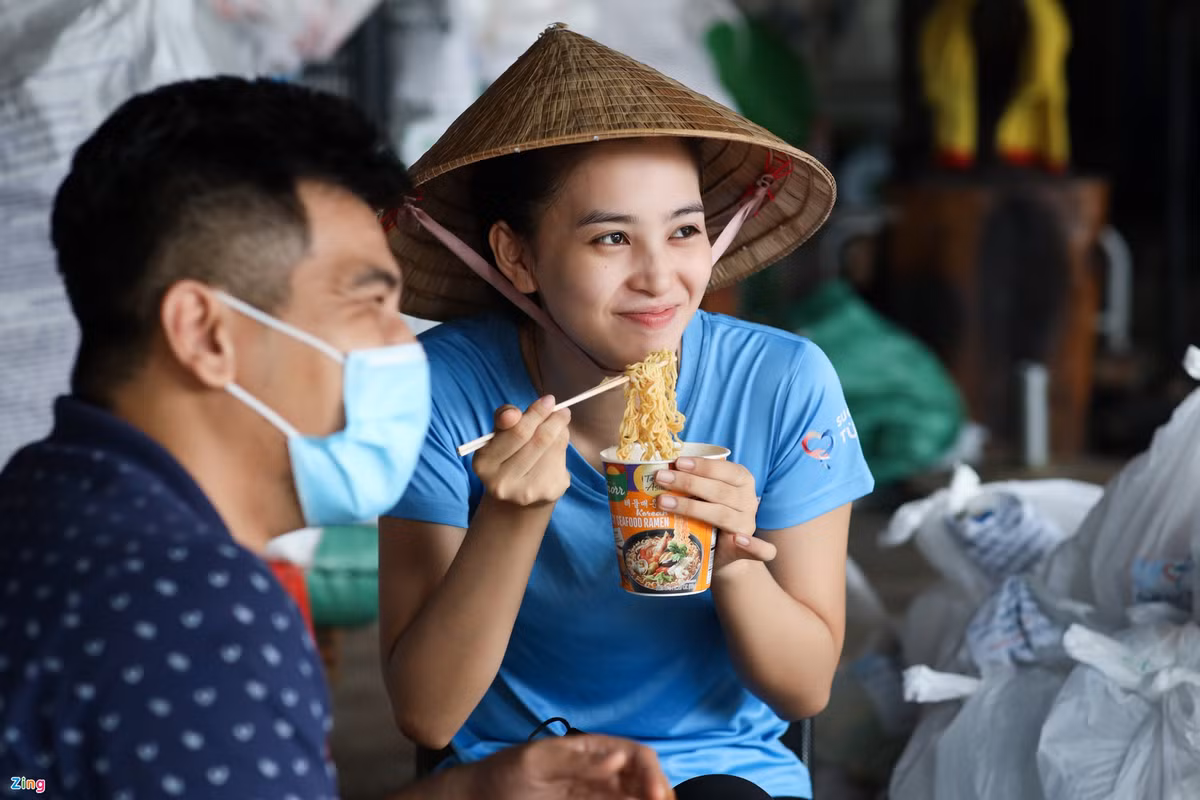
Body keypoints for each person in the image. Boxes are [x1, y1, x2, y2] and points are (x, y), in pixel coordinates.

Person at [0, 75, 672, 800]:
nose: (403, 348)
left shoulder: (43, 495)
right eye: (369, 303)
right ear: (205, 334)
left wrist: (469, 793)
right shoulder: (196, 611)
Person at [379, 25, 875, 800]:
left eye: (683, 231)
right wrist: (510, 520)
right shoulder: (444, 389)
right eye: (612, 237)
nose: (661, 279)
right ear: (516, 258)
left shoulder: (783, 380)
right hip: (518, 773)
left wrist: (736, 560)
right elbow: (428, 714)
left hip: (721, 770)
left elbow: (805, 690)